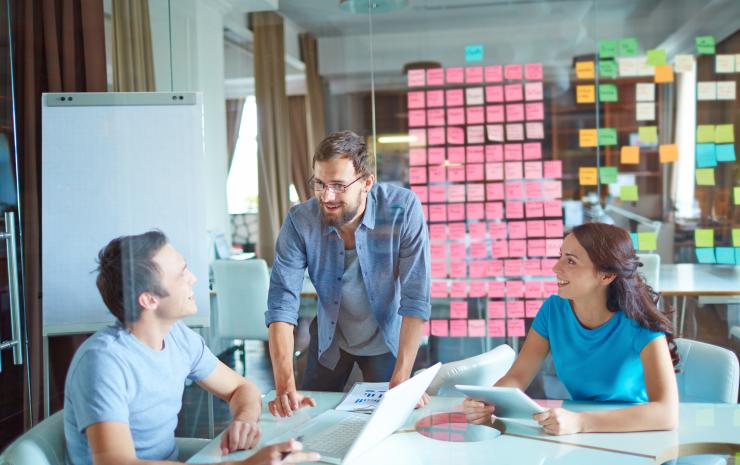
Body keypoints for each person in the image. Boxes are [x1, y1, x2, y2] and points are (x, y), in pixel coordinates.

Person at [64, 231, 320, 465]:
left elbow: (242, 388)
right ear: (149, 299)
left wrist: (243, 421)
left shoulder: (177, 337)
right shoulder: (103, 362)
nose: (193, 279)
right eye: (181, 273)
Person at [266, 130, 431, 417]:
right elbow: (282, 305)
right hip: (331, 339)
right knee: (306, 416)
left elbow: (416, 299)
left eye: (339, 186)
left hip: (385, 338)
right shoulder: (300, 221)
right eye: (319, 183)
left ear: (366, 183)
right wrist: (284, 384)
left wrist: (403, 377)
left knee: (389, 422)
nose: (327, 196)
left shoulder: (402, 210)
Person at [463, 223, 679, 435]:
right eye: (560, 256)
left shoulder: (640, 323)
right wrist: (488, 403)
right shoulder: (552, 311)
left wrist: (581, 423)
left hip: (636, 431)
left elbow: (667, 413)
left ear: (605, 275)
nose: (556, 268)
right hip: (579, 430)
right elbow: (518, 377)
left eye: (571, 261)